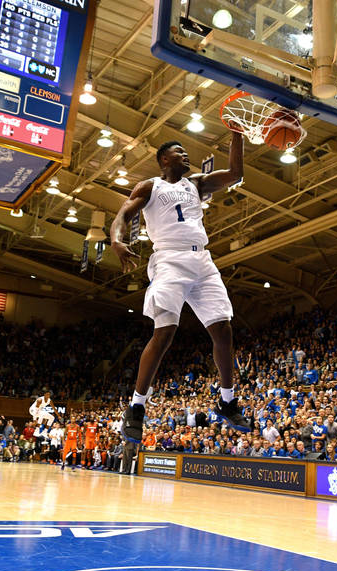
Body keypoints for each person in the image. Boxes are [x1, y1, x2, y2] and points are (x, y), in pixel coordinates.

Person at [110, 132, 250, 446]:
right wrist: (117, 241)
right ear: (163, 159)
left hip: (202, 259)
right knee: (165, 332)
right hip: (169, 259)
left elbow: (235, 174)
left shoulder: (196, 184)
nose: (185, 155)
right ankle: (136, 408)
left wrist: (237, 136)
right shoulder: (150, 187)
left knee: (224, 330)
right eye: (179, 152)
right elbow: (123, 214)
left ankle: (227, 401)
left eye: (186, 152)